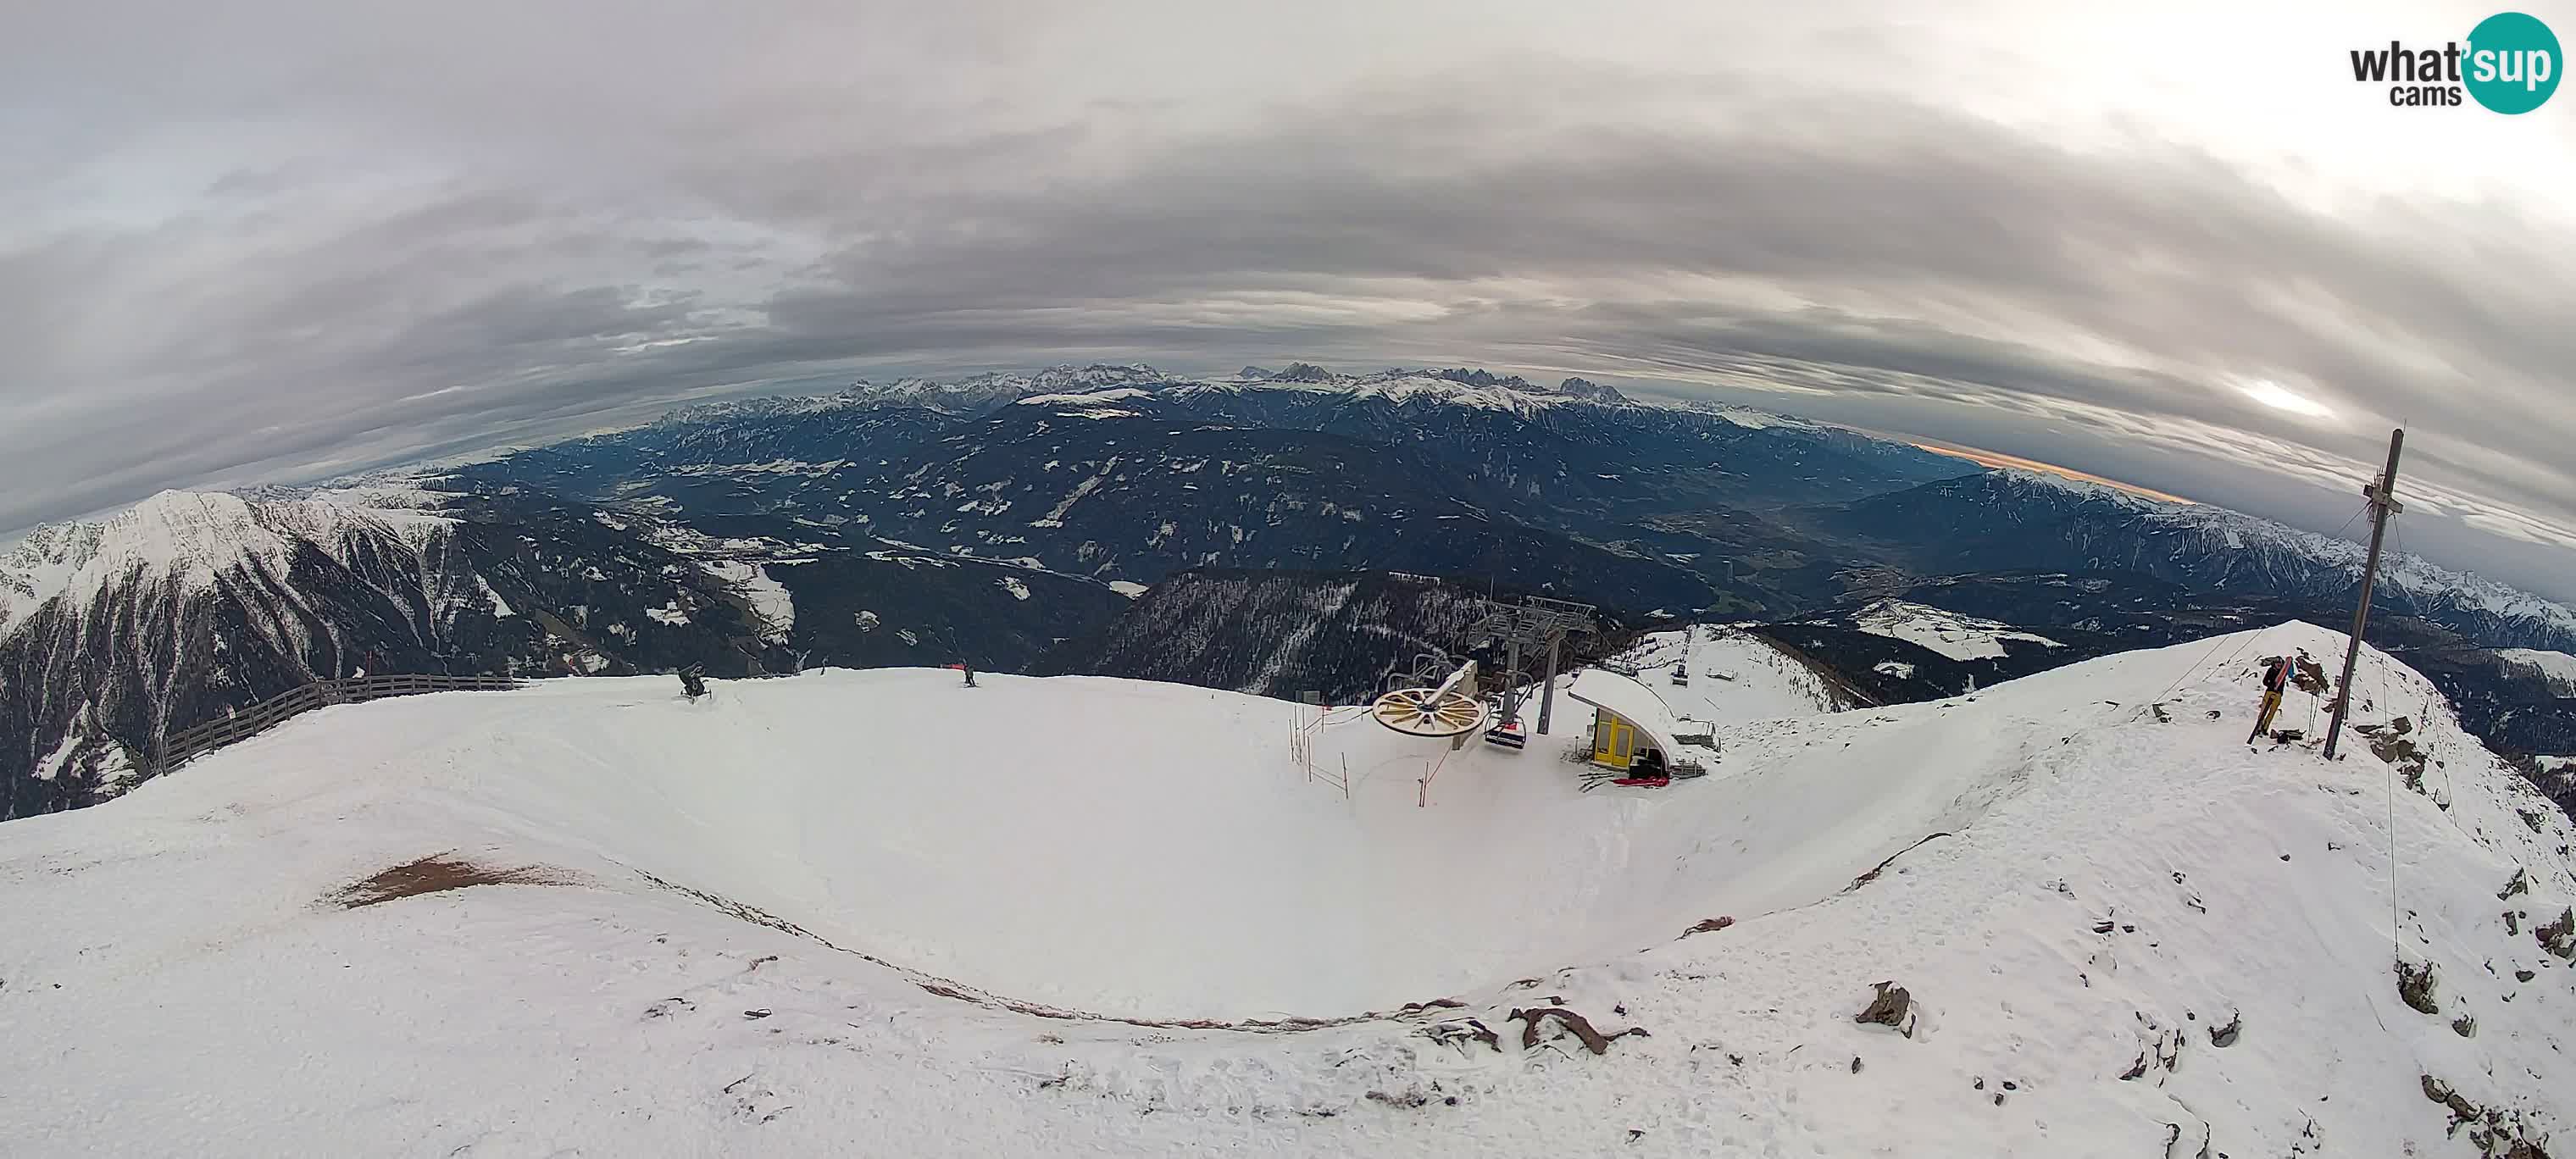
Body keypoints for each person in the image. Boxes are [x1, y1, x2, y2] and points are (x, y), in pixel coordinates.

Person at [2248, 657, 2292, 744]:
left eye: (2280, 664)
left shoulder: (2282, 673)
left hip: (2278, 694)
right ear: (2274, 664)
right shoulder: (2271, 670)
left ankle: (2265, 728)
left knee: (2272, 712)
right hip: (2269, 692)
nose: (2279, 665)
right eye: (2277, 663)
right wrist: (2271, 685)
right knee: (2264, 710)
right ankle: (2259, 727)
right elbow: (2265, 681)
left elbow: (2290, 673)